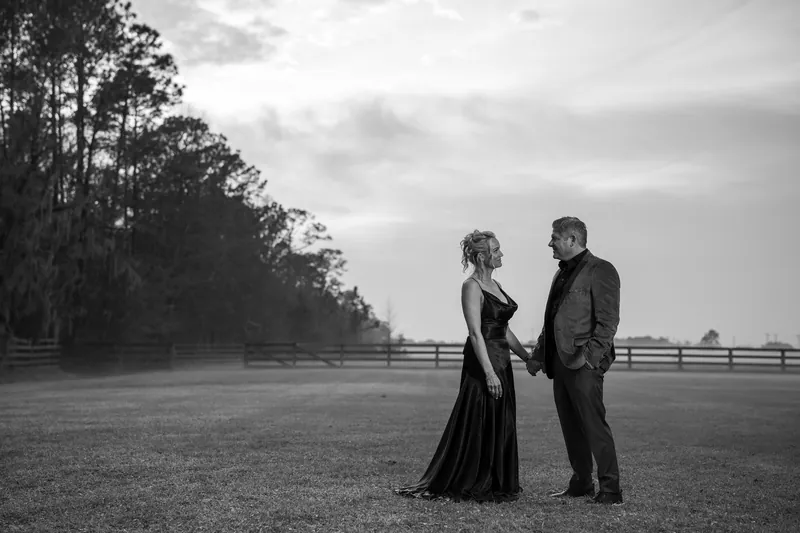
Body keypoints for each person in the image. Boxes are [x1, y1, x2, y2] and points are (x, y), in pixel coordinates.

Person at [395, 230, 537, 502]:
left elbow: (503, 330)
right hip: (482, 363)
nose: (501, 254)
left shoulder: (496, 285)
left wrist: (526, 358)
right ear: (482, 256)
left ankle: (497, 481)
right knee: (478, 420)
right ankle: (472, 480)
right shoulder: (471, 286)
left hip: (502, 362)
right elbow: (475, 333)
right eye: (496, 250)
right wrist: (488, 373)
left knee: (501, 421)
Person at [526, 216, 623, 505]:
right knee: (570, 427)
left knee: (594, 426)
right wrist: (538, 355)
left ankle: (611, 489)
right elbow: (552, 320)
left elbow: (608, 322)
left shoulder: (602, 270)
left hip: (583, 365)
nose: (550, 243)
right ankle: (581, 482)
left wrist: (590, 360)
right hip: (559, 363)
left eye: (554, 237)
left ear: (572, 239)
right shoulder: (560, 274)